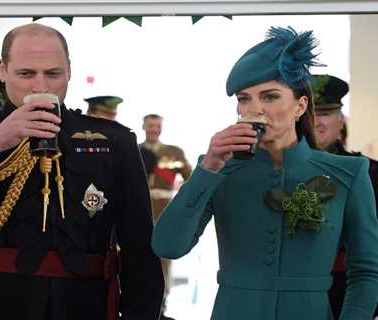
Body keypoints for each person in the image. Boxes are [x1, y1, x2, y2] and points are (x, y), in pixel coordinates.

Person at [0, 23, 163, 320]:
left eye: (53, 74)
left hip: (85, 305)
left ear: (70, 72)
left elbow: (140, 248)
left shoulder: (112, 141)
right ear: (2, 70)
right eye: (26, 74)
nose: (41, 87)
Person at [152, 26, 378, 320]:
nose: (255, 109)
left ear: (300, 105)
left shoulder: (348, 173)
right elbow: (167, 246)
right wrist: (207, 168)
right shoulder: (220, 170)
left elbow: (367, 271)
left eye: (270, 97)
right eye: (245, 99)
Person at [312, 74, 378, 319]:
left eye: (325, 113)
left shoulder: (371, 174)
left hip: (348, 296)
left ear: (341, 120)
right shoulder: (278, 172)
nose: (316, 122)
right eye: (310, 113)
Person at [140, 114, 191, 320]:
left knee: (163, 259)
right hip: (138, 209)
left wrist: (183, 207)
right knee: (134, 255)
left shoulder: (174, 152)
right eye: (151, 125)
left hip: (163, 212)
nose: (154, 129)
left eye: (157, 126)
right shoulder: (134, 150)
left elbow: (191, 179)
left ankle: (161, 305)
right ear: (143, 126)